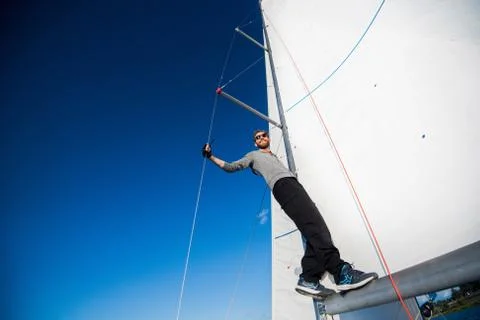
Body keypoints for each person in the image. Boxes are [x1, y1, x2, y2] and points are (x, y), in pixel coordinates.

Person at [202, 129, 378, 298]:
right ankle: (341, 273)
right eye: (257, 137)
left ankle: (309, 278)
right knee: (316, 227)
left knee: (313, 231)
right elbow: (231, 167)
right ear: (255, 143)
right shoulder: (253, 156)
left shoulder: (273, 156)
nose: (261, 138)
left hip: (293, 186)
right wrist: (211, 157)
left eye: (264, 135)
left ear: (268, 138)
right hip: (283, 187)